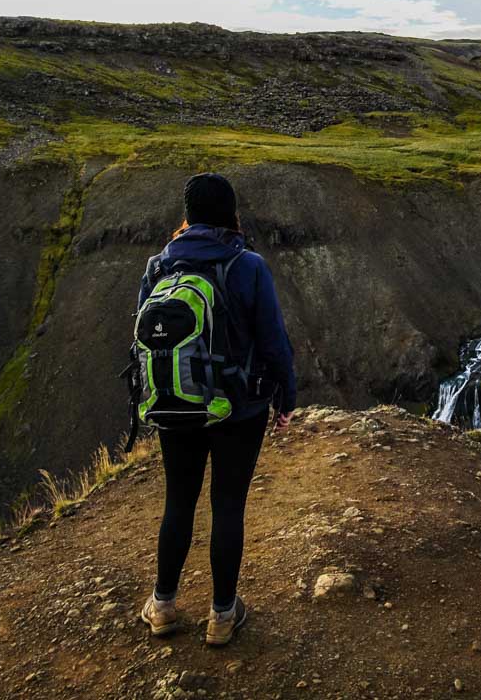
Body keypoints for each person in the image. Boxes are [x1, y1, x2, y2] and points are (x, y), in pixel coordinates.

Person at [136, 172, 296, 646]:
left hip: (175, 404)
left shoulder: (158, 267)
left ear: (188, 216)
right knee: (228, 505)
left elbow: (146, 340)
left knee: (178, 502)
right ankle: (222, 616)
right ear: (231, 213)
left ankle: (163, 606)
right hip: (238, 410)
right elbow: (274, 344)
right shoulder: (247, 266)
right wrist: (285, 399)